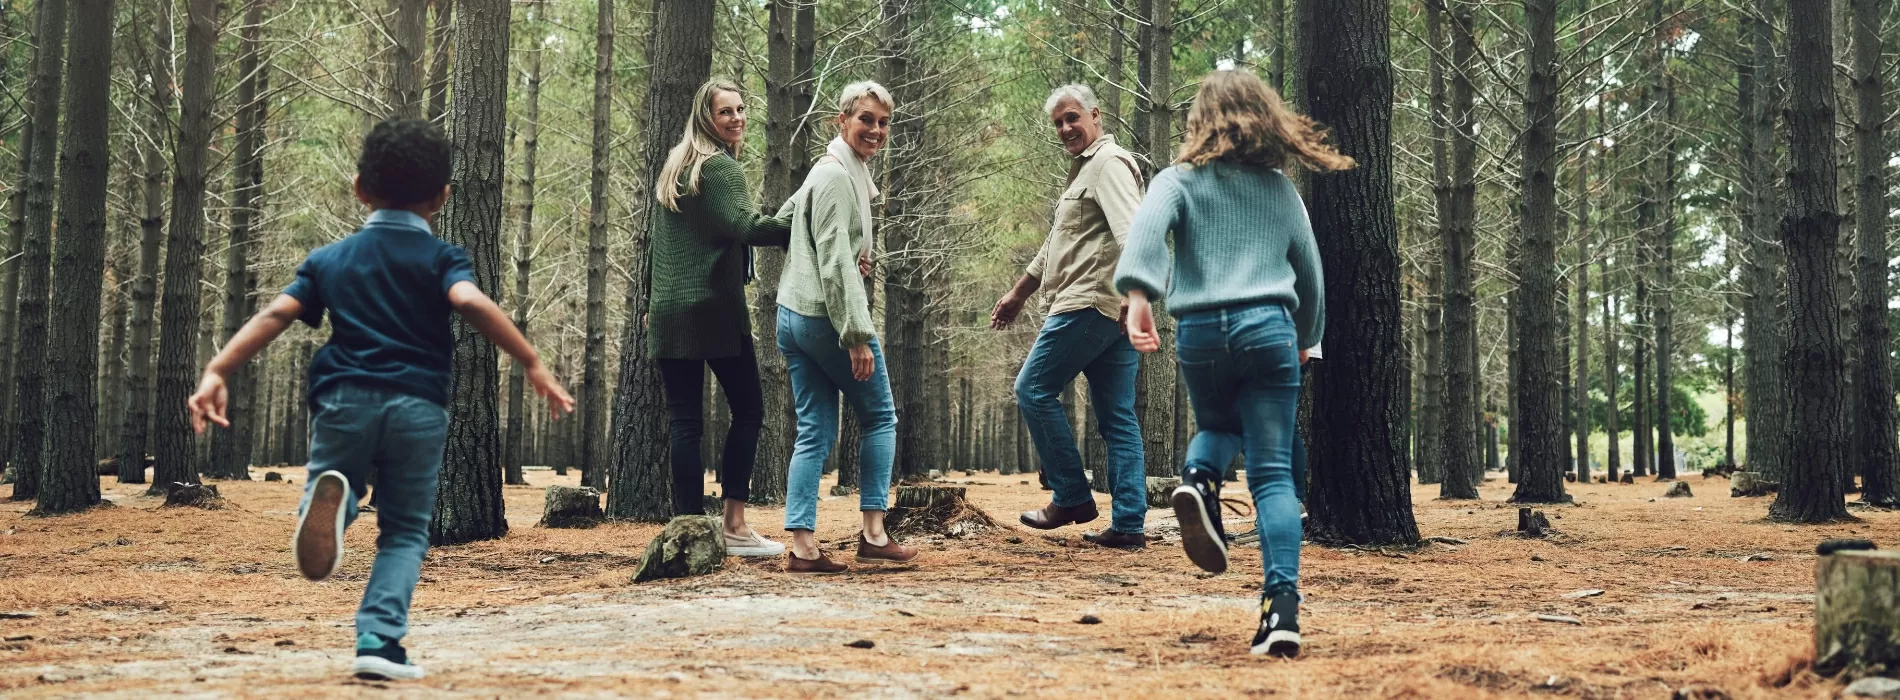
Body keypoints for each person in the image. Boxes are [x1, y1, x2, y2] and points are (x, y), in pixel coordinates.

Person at [186, 119, 574, 680]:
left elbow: (276, 314)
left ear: (359, 188)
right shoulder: (443, 258)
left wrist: (218, 369)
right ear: (442, 197)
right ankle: (379, 639)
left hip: (344, 397)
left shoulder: (329, 259)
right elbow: (469, 301)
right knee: (405, 529)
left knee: (336, 476)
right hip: (418, 405)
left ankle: (333, 506)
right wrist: (531, 360)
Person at [1114, 70, 1352, 658]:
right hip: (1270, 328)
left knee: (1218, 428)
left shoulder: (1179, 180)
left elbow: (1145, 229)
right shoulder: (1279, 190)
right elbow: (1312, 273)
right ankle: (1281, 614)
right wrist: (1306, 336)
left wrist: (1138, 298)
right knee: (1273, 475)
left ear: (1201, 120)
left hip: (1199, 330)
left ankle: (1199, 479)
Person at [771, 81, 919, 574]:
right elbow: (834, 261)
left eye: (883, 122)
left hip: (792, 314)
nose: (875, 130)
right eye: (866, 120)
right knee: (880, 417)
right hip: (824, 319)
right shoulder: (837, 178)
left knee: (814, 430)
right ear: (842, 121)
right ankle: (874, 534)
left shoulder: (827, 169)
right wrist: (856, 334)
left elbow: (788, 220)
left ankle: (802, 545)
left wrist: (841, 253)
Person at [991, 84, 1147, 549]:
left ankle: (1072, 496)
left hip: (1090, 303)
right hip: (1106, 308)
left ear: (1095, 115)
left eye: (1072, 118)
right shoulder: (1083, 172)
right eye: (1058, 123)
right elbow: (1057, 244)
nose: (1065, 129)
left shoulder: (1108, 165)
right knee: (1118, 417)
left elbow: (1134, 231)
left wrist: (1136, 292)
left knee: (1032, 388)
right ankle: (1129, 524)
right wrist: (1019, 293)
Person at [648, 78, 795, 557]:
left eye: (740, 109)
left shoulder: (678, 167)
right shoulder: (720, 169)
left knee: (684, 422)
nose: (736, 118)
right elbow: (747, 227)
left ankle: (688, 533)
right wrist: (807, 223)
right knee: (749, 409)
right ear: (705, 116)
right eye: (725, 111)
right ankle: (733, 528)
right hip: (712, 308)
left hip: (669, 311)